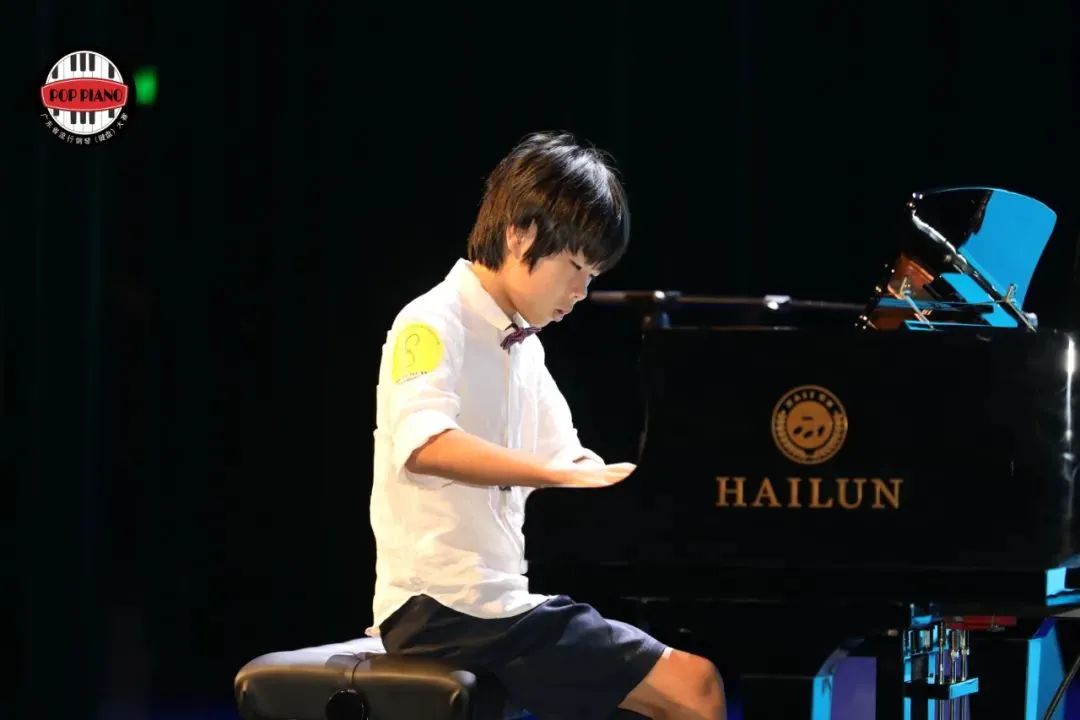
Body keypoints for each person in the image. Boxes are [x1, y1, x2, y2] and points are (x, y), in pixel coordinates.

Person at [366, 131, 726, 719]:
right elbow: (426, 445)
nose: (581, 292)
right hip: (444, 606)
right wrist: (559, 474)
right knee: (696, 685)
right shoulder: (431, 321)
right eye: (575, 266)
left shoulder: (523, 346)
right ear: (520, 234)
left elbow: (571, 461)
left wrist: (650, 484)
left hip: (488, 603)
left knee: (662, 691)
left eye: (593, 275)